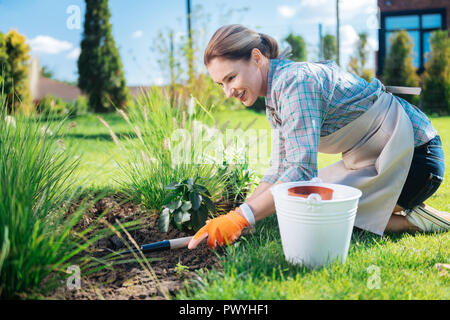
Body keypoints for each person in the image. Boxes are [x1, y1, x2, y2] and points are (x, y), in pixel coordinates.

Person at [188, 24, 448, 250]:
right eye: (221, 84)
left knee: (324, 214)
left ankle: (427, 222)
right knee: (305, 204)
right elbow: (280, 170)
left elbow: (301, 171)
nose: (227, 92)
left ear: (257, 58)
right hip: (380, 158)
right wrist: (237, 216)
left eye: (231, 77)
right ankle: (418, 217)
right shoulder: (275, 99)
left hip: (416, 156)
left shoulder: (294, 83)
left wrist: (243, 217)